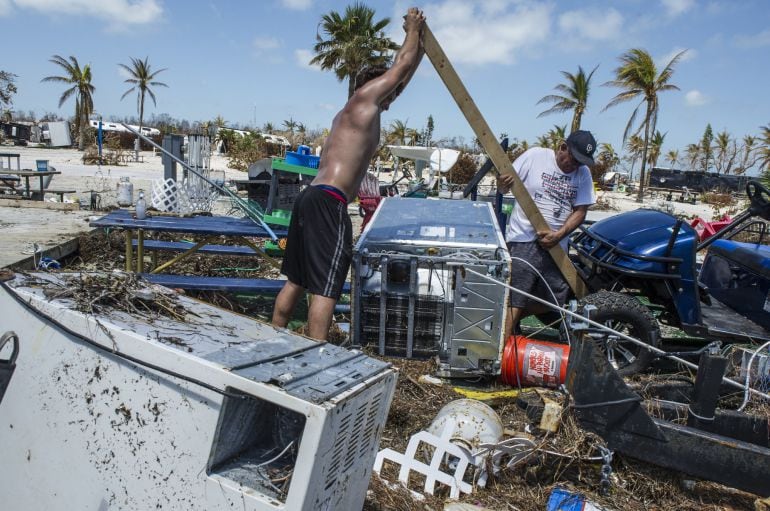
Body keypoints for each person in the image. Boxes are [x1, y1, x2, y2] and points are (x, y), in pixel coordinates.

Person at [272, 7, 426, 340]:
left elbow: (401, 75)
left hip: (311, 198)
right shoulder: (363, 100)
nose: (392, 94)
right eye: (386, 88)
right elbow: (398, 70)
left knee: (297, 279)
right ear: (373, 86)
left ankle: (274, 337)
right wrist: (411, 29)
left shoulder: (357, 113)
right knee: (327, 287)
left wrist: (420, 49)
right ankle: (316, 353)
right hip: (329, 202)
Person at [497, 130, 597, 336]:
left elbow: (581, 211)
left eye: (580, 162)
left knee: (554, 299)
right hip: (524, 239)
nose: (575, 165)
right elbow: (504, 187)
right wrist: (501, 184)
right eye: (573, 158)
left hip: (557, 245)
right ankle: (502, 350)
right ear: (562, 147)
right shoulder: (535, 156)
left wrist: (559, 235)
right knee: (517, 294)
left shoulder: (583, 173)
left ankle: (508, 325)